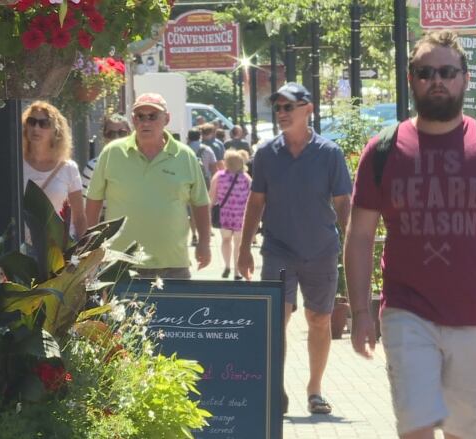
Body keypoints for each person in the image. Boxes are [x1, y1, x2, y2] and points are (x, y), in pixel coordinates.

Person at [343, 30, 476, 439]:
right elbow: (359, 236)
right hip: (406, 313)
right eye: (425, 71)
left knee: (463, 432)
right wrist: (361, 312)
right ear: (411, 79)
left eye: (448, 71)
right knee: (415, 426)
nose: (437, 80)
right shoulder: (383, 149)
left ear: (465, 78)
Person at [237, 82, 352, 415]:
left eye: (289, 107)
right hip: (279, 250)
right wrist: (244, 248)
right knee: (277, 318)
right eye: (279, 108)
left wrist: (352, 245)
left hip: (320, 250)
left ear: (308, 109)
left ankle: (315, 390)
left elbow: (343, 203)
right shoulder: (265, 154)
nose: (283, 113)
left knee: (319, 319)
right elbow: (256, 202)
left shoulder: (329, 153)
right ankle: (275, 387)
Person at [86, 93, 211, 279]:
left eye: (153, 116)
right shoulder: (111, 153)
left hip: (172, 265)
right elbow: (93, 200)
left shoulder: (185, 156)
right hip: (118, 265)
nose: (145, 122)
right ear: (133, 120)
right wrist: (93, 245)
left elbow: (200, 203)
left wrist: (204, 243)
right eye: (140, 116)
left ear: (166, 119)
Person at [21, 101, 87, 238]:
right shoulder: (17, 164)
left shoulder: (68, 169)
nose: (36, 128)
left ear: (55, 131)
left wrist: (82, 253)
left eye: (44, 123)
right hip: (23, 250)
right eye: (31, 122)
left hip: (58, 252)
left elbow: (79, 217)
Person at [209, 150, 251, 280]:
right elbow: (252, 198)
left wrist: (208, 213)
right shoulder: (246, 178)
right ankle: (236, 272)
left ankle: (227, 266)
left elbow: (212, 196)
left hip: (225, 214)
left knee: (225, 240)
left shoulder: (219, 176)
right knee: (238, 243)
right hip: (240, 215)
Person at [81, 113, 131, 197]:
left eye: (122, 133)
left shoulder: (140, 164)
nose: (117, 138)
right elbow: (85, 203)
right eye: (111, 134)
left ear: (130, 135)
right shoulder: (93, 167)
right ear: (104, 136)